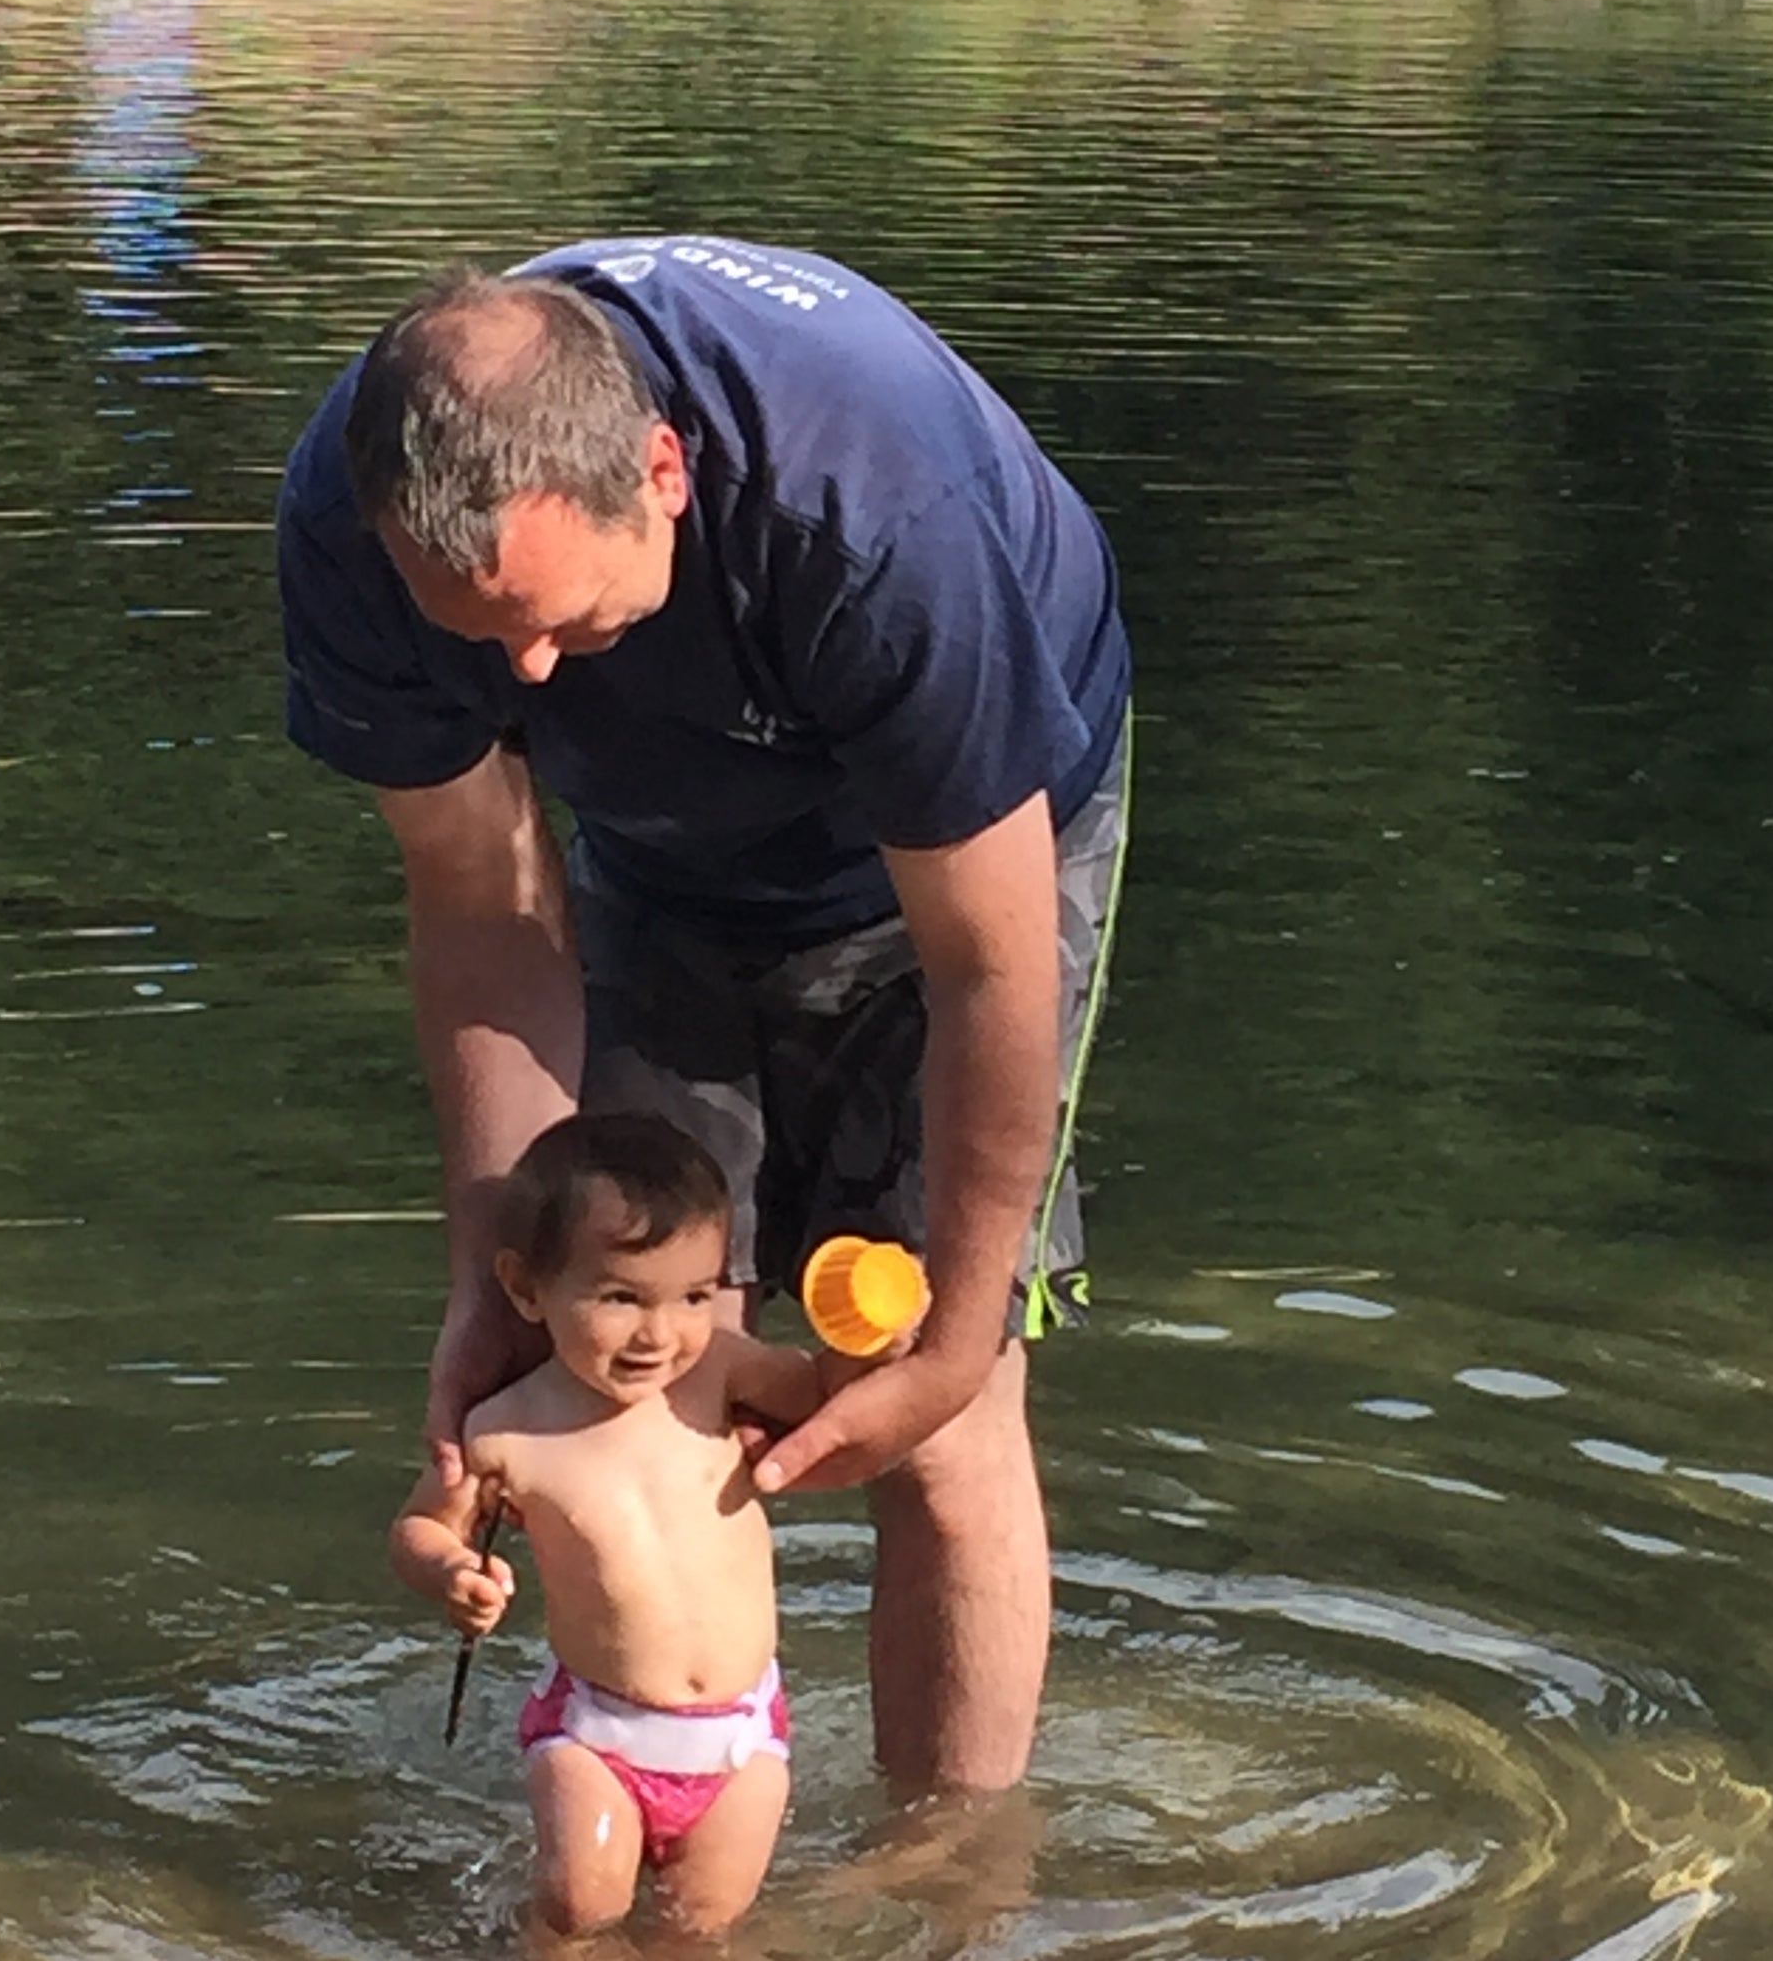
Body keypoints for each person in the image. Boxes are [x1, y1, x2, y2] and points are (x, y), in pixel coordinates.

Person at [276, 236, 1132, 1798]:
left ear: (663, 473)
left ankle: (945, 1908)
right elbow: (482, 900)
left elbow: (990, 967)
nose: (526, 671)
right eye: (478, 633)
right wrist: (493, 1276)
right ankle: (665, 1809)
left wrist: (955, 1325)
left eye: (562, 625)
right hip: (655, 854)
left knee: (936, 1409)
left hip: (963, 851)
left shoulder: (873, 516)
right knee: (622, 1339)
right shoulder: (347, 523)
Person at [388, 1111, 835, 1938]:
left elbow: (821, 1399)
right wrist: (452, 1573)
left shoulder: (724, 1372)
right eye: (622, 1298)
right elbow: (421, 1526)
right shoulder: (508, 1431)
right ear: (526, 1288)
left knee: (703, 1929)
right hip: (598, 1734)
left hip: (741, 1735)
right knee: (579, 1907)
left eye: (695, 1296)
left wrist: (871, 1340)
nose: (660, 1334)